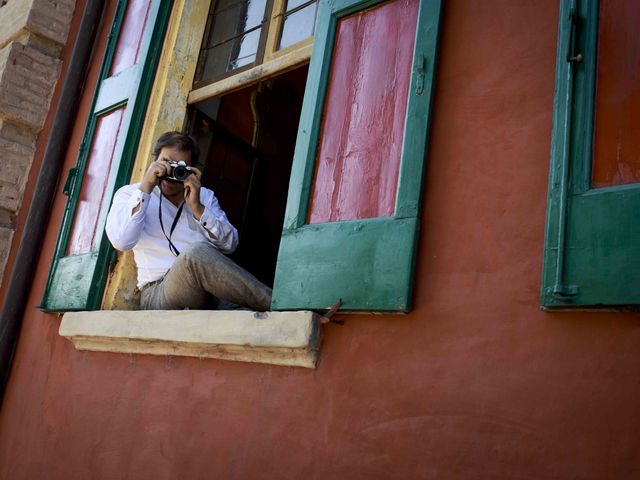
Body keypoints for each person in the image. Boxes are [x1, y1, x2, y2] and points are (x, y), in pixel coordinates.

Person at [105, 131, 272, 311]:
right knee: (195, 253)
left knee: (245, 315)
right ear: (155, 161)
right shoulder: (130, 194)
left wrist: (197, 209)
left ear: (191, 170)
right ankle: (275, 302)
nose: (170, 172)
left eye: (179, 167)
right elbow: (121, 241)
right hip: (159, 294)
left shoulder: (204, 197)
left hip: (209, 290)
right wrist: (146, 187)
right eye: (166, 162)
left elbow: (231, 245)